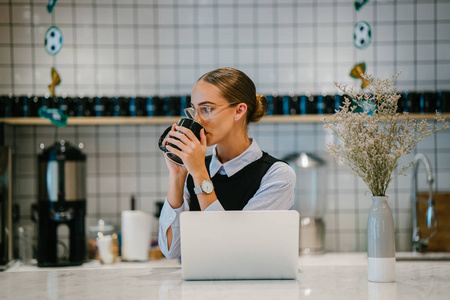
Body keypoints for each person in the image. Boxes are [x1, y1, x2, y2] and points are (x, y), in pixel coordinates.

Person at [158, 67, 296, 259]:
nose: (197, 121)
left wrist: (199, 174)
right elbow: (171, 250)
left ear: (239, 111)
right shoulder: (193, 169)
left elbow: (232, 246)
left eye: (207, 109)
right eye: (194, 110)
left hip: (253, 287)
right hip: (196, 287)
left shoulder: (277, 175)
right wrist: (177, 174)